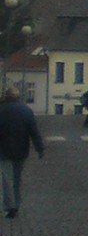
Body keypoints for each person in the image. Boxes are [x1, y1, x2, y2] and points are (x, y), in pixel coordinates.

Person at [0, 88, 44, 219]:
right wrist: (39, 148)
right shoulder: (26, 111)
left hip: (4, 150)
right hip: (21, 150)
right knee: (17, 179)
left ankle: (10, 206)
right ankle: (17, 203)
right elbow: (34, 131)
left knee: (7, 179)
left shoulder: (1, 111)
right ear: (18, 98)